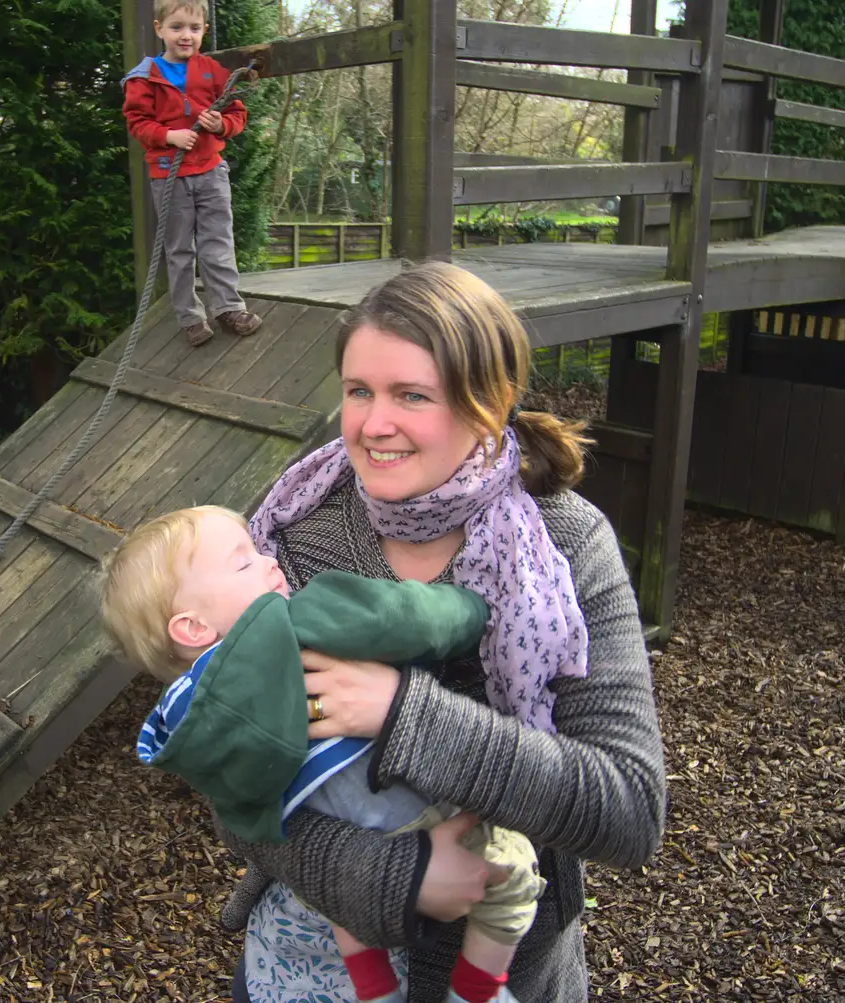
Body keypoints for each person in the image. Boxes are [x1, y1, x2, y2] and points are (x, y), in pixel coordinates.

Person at [217, 261, 669, 1003]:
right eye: (358, 390)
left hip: (509, 968)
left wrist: (403, 713)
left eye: (411, 395)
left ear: (486, 405)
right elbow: (229, 767)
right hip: (310, 962)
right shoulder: (299, 529)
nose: (372, 423)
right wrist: (396, 877)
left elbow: (626, 806)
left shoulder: (564, 545)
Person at [99, 504, 548, 1003]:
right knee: (513, 867)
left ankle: (373, 985)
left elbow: (240, 815)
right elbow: (399, 619)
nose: (269, 561)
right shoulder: (289, 624)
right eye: (244, 562)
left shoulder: (181, 716)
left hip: (326, 841)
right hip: (400, 805)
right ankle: (479, 991)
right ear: (192, 628)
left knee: (336, 892)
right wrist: (471, 610)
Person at [121, 0, 263, 347]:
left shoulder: (212, 71)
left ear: (204, 32)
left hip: (211, 171)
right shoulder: (144, 77)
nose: (186, 36)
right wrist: (169, 136)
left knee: (218, 241)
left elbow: (236, 114)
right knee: (180, 248)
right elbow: (137, 123)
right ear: (159, 29)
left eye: (194, 29)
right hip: (170, 175)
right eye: (177, 27)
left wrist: (221, 125)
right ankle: (190, 316)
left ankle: (228, 306)